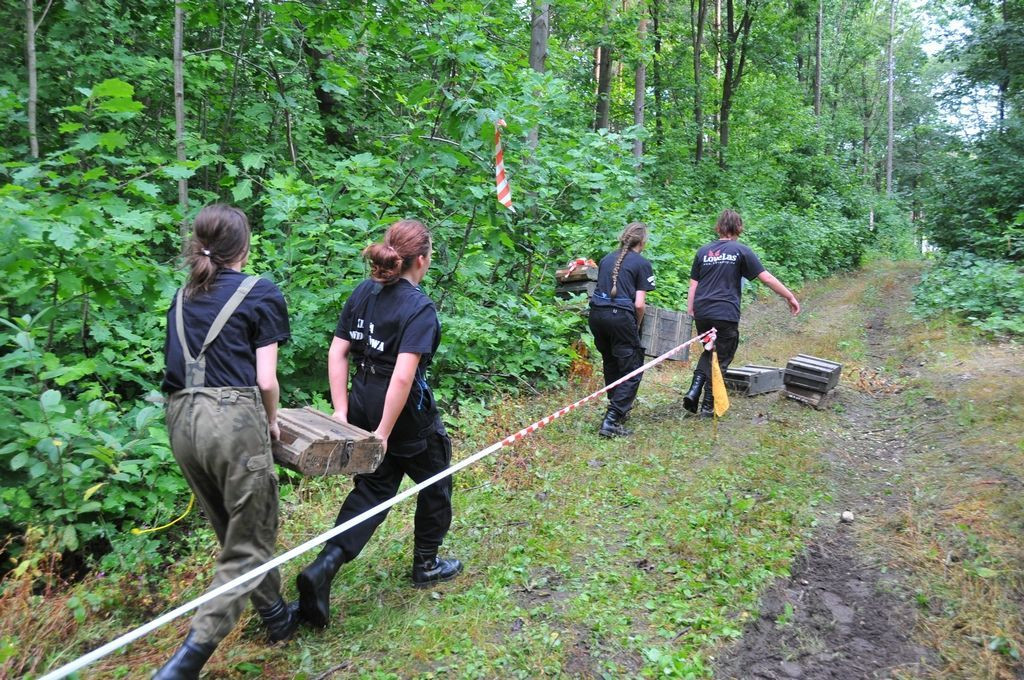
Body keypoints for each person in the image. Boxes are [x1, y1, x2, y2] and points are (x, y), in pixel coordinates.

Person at [155, 204, 297, 679]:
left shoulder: (182, 296)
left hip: (180, 420)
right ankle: (188, 659)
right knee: (252, 534)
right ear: (245, 246)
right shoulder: (261, 291)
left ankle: (276, 615)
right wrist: (271, 422)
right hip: (232, 421)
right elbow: (267, 381)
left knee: (234, 528)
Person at [297, 219, 460, 629]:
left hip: (363, 400)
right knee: (435, 478)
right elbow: (403, 377)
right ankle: (426, 563)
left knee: (374, 486)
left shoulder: (364, 293)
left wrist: (342, 411)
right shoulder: (418, 307)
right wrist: (384, 433)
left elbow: (338, 353)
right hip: (401, 412)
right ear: (420, 260)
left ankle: (324, 567)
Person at [684, 209, 800, 417]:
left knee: (711, 351)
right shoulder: (740, 251)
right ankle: (708, 407)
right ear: (739, 229)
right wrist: (789, 296)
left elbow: (693, 285)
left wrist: (691, 309)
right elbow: (767, 278)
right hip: (725, 312)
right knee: (721, 357)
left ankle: (694, 391)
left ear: (718, 228)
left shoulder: (703, 251)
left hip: (702, 310)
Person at [588, 222, 656, 438]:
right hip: (620, 317)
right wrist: (635, 325)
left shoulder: (607, 259)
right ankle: (612, 419)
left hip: (597, 316)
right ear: (643, 241)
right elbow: (639, 304)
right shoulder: (642, 263)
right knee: (632, 368)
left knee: (611, 362)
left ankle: (616, 408)